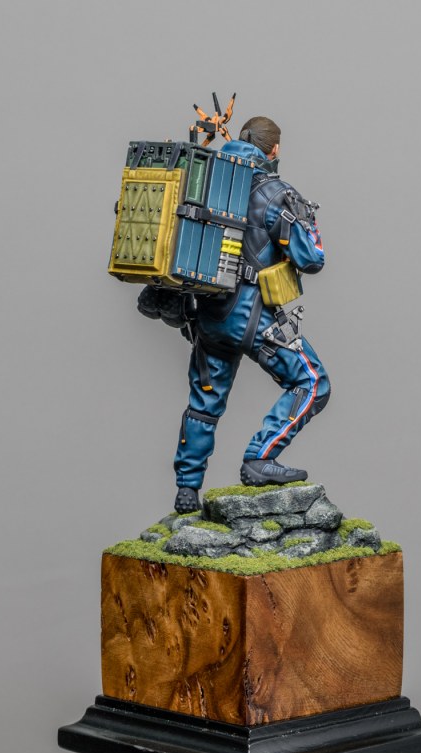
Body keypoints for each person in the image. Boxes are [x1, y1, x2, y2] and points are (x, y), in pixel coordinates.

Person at [173, 116, 331, 513]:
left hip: (208, 312)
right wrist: (307, 222)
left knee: (204, 404)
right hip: (253, 317)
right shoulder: (278, 193)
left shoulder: (207, 179)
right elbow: (312, 259)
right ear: (273, 149)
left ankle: (187, 490)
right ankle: (260, 457)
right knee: (313, 382)